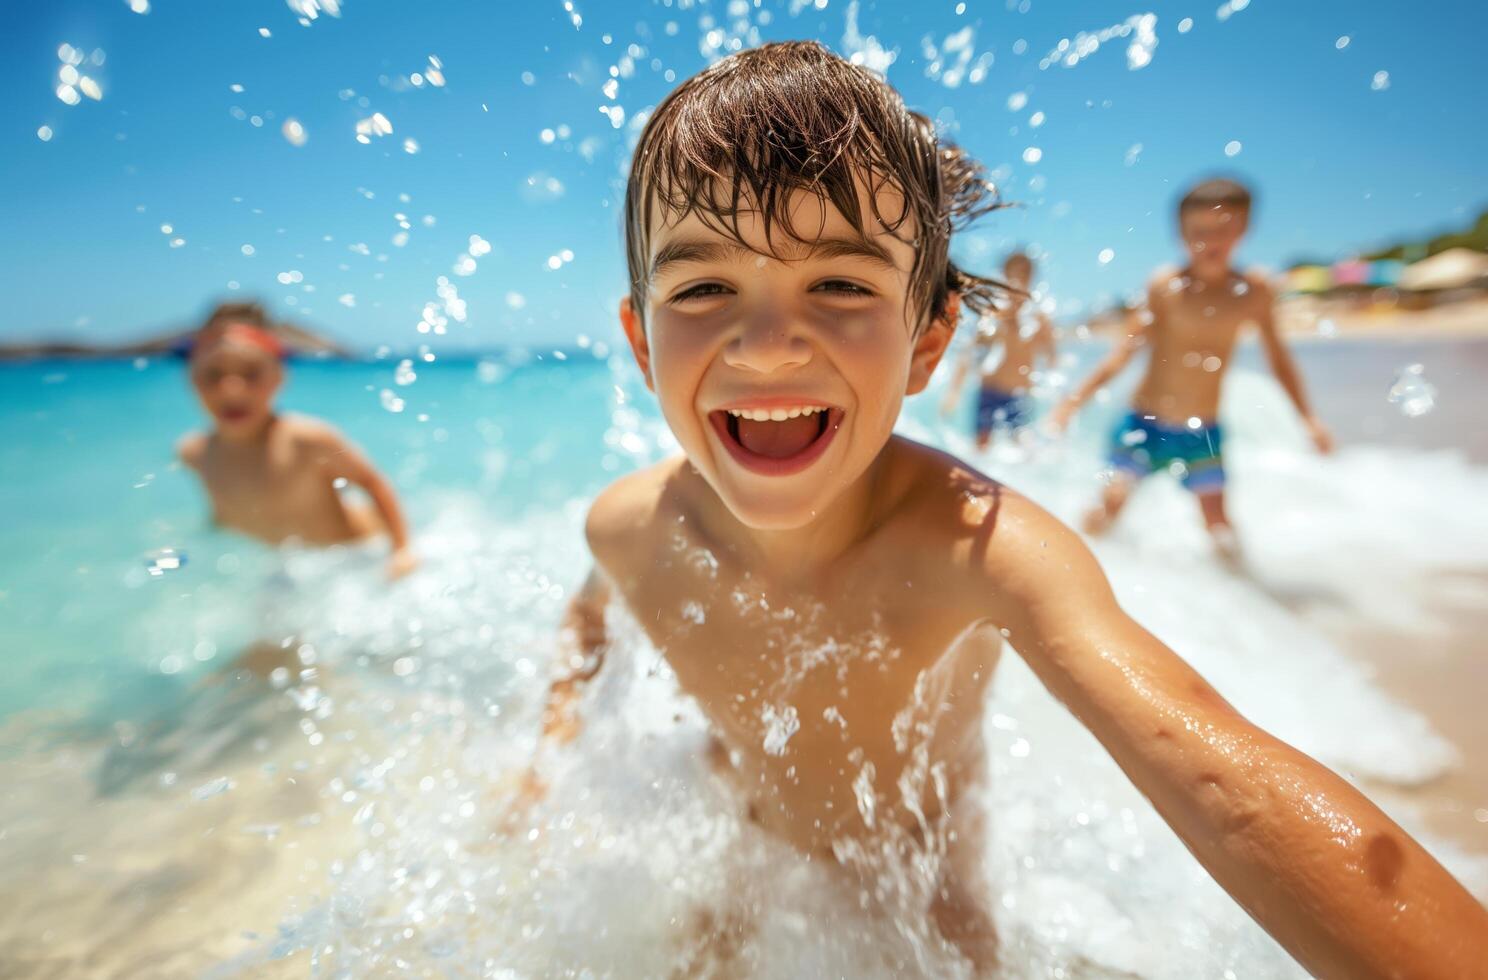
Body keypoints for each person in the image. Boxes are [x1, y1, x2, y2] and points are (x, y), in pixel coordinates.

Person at [530, 43, 1486, 975]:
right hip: (740, 826)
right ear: (642, 342)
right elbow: (586, 624)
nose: (769, 346)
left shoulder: (982, 548)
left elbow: (1214, 772)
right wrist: (549, 751)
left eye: (839, 284)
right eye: (703, 286)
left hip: (926, 852)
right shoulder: (627, 528)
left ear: (928, 340)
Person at [1047, 179, 1332, 554]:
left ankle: (1243, 597)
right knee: (1111, 504)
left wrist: (1307, 417)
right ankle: (1069, 559)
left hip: (1204, 432)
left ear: (1244, 228)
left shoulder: (1254, 291)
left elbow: (1277, 358)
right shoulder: (1166, 287)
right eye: (1199, 232)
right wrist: (1072, 402)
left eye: (1224, 229)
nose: (1211, 241)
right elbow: (1124, 352)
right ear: (1180, 233)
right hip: (1144, 424)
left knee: (1218, 524)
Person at [177, 302, 417, 579]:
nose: (232, 389)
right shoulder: (194, 453)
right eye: (213, 375)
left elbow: (373, 483)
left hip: (358, 552)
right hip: (290, 564)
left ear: (278, 377)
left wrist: (402, 549)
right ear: (192, 380)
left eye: (251, 373)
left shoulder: (307, 439)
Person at [939, 251, 1055, 448]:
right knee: (981, 447)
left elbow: (1052, 359)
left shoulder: (1038, 319)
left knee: (1021, 448)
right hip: (990, 391)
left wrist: (1054, 395)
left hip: (1020, 395)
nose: (1017, 282)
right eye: (1013, 276)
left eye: (1023, 276)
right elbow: (969, 352)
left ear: (1031, 279)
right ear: (1004, 277)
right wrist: (954, 391)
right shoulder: (995, 314)